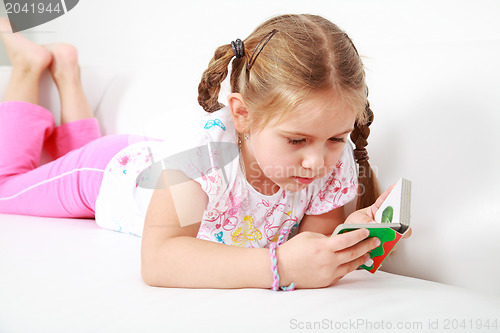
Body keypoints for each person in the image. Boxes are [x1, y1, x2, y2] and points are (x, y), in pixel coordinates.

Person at [0, 14, 409, 291]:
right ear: (242, 115)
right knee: (5, 190)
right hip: (109, 174)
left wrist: (347, 239)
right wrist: (279, 267)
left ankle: (67, 73)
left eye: (336, 139)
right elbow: (158, 260)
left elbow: (309, 246)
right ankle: (27, 66)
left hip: (153, 168)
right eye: (297, 140)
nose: (317, 162)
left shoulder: (330, 161)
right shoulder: (198, 158)